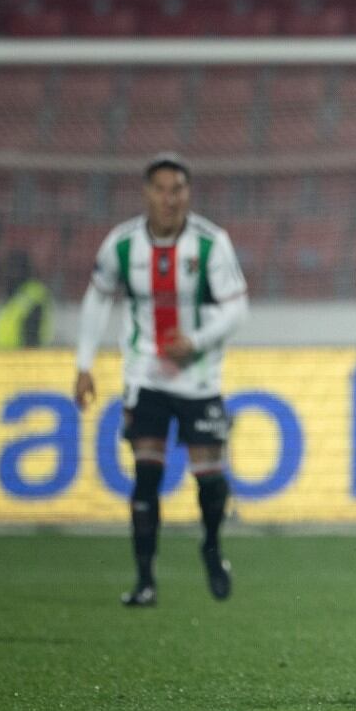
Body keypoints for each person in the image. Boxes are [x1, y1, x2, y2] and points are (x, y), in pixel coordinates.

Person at [74, 152, 249, 606]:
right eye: (161, 190)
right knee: (145, 478)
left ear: (188, 194)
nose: (170, 199)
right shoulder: (122, 244)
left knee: (211, 482)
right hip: (144, 376)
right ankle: (145, 580)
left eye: (179, 190)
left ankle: (211, 546)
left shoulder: (212, 243)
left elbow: (236, 308)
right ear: (146, 193)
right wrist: (84, 364)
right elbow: (97, 299)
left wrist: (196, 339)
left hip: (200, 379)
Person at [0, 250, 53, 349]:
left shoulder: (33, 296)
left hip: (20, 360)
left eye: (13, 269)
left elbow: (32, 337)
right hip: (6, 358)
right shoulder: (16, 295)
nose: (9, 274)